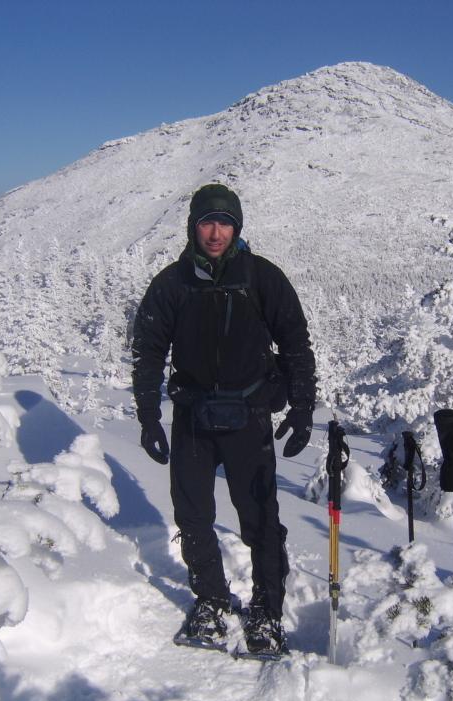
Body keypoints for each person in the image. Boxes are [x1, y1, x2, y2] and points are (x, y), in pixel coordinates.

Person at [130, 184, 317, 656]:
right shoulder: (173, 283)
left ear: (237, 227)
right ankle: (211, 600)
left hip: (249, 415)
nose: (215, 233)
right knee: (193, 516)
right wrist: (149, 416)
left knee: (259, 518)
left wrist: (302, 407)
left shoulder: (262, 278)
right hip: (193, 415)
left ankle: (267, 610)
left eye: (224, 223)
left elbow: (296, 344)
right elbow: (148, 353)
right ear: (193, 227)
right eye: (206, 223)